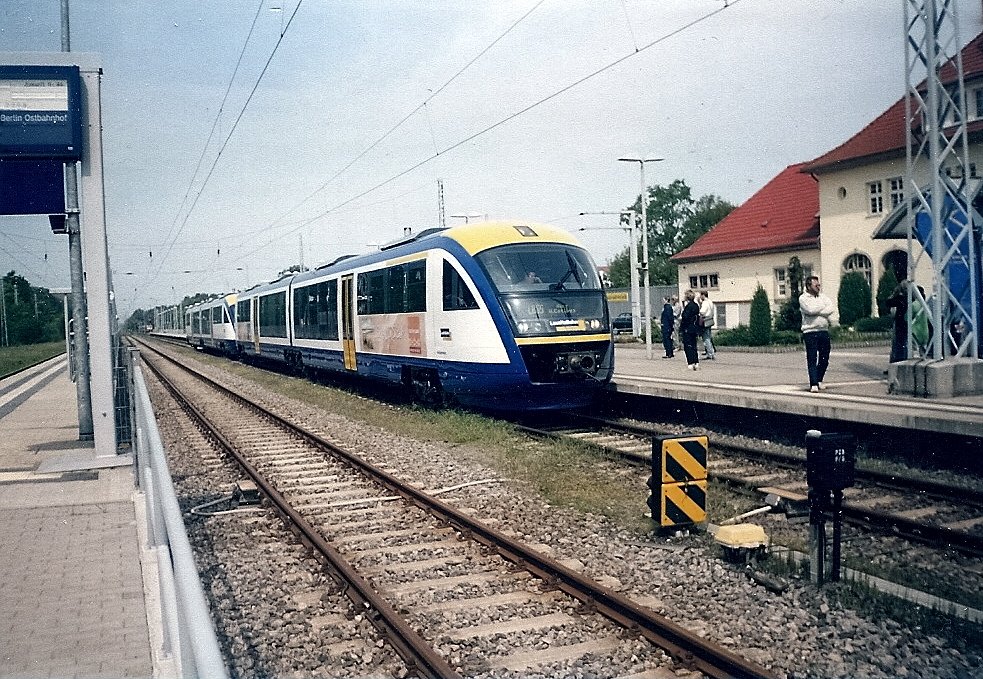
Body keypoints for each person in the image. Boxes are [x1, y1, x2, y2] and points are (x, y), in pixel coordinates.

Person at [799, 275, 835, 392]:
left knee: (825, 357)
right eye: (816, 285)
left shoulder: (823, 297)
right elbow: (809, 310)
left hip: (823, 330)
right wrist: (822, 308)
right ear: (809, 286)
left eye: (819, 285)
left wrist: (817, 310)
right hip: (810, 331)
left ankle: (819, 379)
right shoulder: (803, 298)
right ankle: (813, 383)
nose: (818, 287)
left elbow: (831, 308)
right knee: (812, 357)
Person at [886, 278, 909, 363]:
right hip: (908, 322)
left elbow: (888, 302)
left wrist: (895, 293)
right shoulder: (911, 299)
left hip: (900, 322)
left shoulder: (900, 299)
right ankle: (903, 359)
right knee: (905, 343)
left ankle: (897, 361)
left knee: (899, 343)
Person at [679, 289, 701, 370]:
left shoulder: (688, 307)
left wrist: (682, 328)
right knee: (694, 345)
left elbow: (685, 317)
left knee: (688, 346)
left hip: (688, 328)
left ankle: (690, 363)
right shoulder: (696, 305)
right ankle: (696, 362)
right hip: (695, 328)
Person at [698, 290, 716, 360]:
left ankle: (710, 353)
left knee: (706, 338)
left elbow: (702, 312)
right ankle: (711, 352)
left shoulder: (705, 303)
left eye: (700, 295)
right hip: (710, 319)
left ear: (703, 295)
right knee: (709, 336)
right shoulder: (710, 302)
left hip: (705, 320)